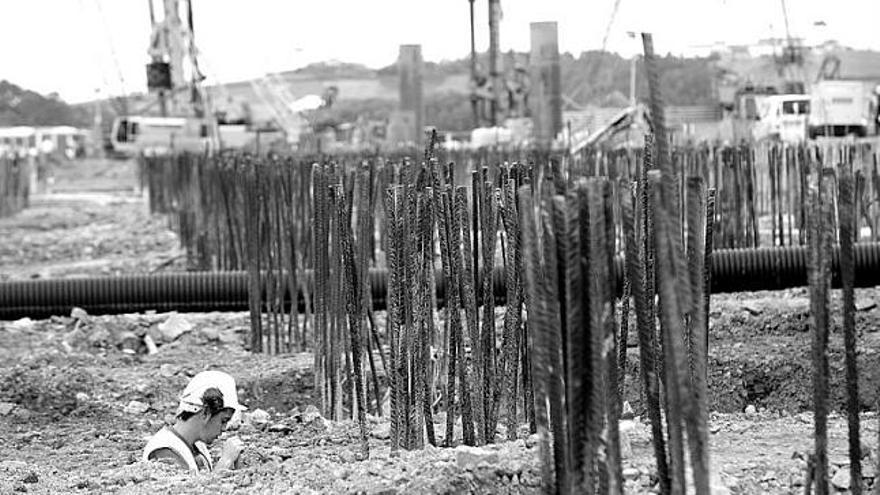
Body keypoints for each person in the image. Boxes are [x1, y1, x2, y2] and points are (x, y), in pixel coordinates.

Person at [143, 370, 247, 472]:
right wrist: (225, 463)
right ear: (205, 413)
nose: (224, 428)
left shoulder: (198, 444)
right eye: (223, 420)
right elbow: (189, 488)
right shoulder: (164, 451)